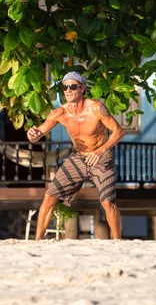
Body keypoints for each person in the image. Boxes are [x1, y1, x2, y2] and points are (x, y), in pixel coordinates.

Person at [27, 71, 125, 240]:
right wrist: (32, 134)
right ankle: (36, 242)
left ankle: (118, 242)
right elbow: (37, 134)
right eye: (65, 87)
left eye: (73, 86)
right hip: (78, 158)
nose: (68, 90)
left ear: (82, 88)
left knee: (108, 203)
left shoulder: (96, 108)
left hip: (101, 157)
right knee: (49, 196)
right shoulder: (60, 113)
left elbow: (119, 131)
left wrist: (101, 150)